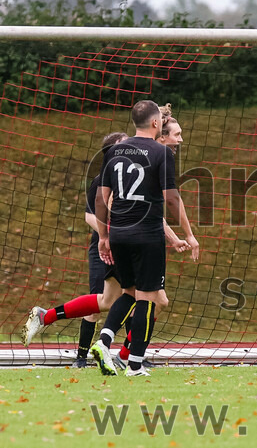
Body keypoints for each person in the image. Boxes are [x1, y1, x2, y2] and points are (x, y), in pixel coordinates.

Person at [19, 133, 189, 363]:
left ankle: (47, 317)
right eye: (176, 133)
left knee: (113, 300)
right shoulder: (108, 177)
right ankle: (124, 355)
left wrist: (174, 239)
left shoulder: (145, 169)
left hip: (128, 240)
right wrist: (106, 236)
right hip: (119, 243)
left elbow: (154, 215)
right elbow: (94, 213)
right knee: (146, 300)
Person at [89, 100, 197, 377]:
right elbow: (171, 198)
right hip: (147, 235)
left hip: (119, 234)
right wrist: (188, 235)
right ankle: (135, 364)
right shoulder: (161, 152)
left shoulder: (113, 151)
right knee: (148, 298)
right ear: (155, 123)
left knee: (129, 292)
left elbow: (102, 199)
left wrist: (104, 236)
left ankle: (103, 342)